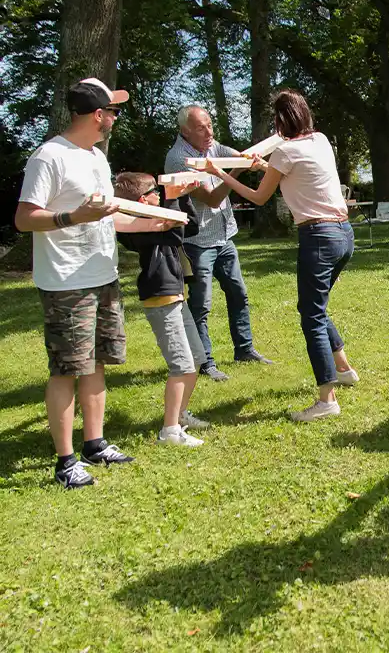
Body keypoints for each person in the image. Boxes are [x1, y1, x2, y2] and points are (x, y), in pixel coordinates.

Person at [15, 78, 173, 488]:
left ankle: (95, 444)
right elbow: (24, 218)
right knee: (67, 369)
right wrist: (72, 217)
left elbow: (107, 215)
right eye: (113, 111)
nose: (116, 118)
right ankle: (65, 462)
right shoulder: (49, 157)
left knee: (97, 362)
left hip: (104, 276)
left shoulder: (97, 158)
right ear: (98, 114)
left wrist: (152, 222)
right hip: (67, 282)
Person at [206, 90, 358, 422]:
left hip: (319, 237)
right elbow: (296, 172)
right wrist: (264, 164)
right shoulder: (320, 141)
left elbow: (259, 197)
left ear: (279, 121)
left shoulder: (285, 152)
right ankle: (344, 369)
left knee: (312, 316)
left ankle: (327, 399)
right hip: (344, 234)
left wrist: (222, 175)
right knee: (314, 307)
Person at [164, 105, 272, 381]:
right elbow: (212, 198)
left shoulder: (211, 146)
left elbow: (235, 155)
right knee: (201, 304)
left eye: (210, 125)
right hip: (197, 241)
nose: (209, 132)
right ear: (185, 131)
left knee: (238, 294)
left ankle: (244, 350)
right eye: (201, 128)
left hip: (224, 235)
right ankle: (205, 362)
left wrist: (249, 159)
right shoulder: (179, 159)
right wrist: (233, 173)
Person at [114, 172, 211, 447]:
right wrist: (172, 198)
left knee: (196, 357)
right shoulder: (138, 226)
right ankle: (169, 431)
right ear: (143, 200)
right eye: (154, 192)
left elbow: (190, 226)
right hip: (160, 298)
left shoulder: (160, 216)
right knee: (181, 366)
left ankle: (179, 415)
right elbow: (174, 233)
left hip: (176, 295)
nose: (159, 194)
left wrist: (182, 196)